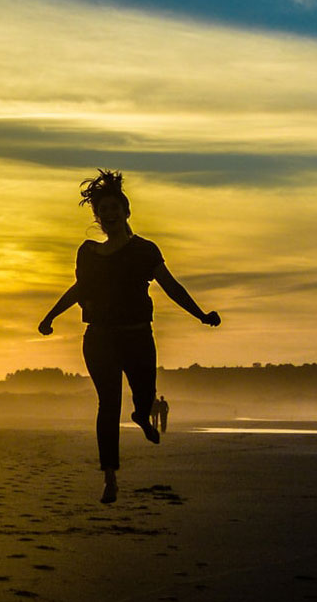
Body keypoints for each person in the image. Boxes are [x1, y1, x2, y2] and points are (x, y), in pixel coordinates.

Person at [37, 170, 218, 504]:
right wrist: (50, 316)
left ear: (126, 211)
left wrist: (201, 314)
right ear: (98, 216)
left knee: (145, 395)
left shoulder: (145, 251)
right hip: (100, 338)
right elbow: (81, 289)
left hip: (137, 337)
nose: (109, 213)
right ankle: (110, 478)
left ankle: (141, 414)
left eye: (114, 207)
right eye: (102, 209)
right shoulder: (88, 252)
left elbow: (171, 286)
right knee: (108, 404)